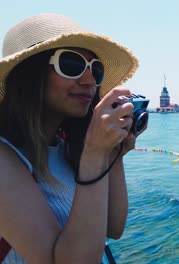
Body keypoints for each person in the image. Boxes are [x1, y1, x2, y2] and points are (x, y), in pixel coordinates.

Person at [0, 13, 144, 263]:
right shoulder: (5, 159)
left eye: (95, 69)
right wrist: (95, 152)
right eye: (71, 65)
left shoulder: (65, 147)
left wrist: (113, 152)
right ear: (30, 74)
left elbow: (114, 227)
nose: (89, 81)